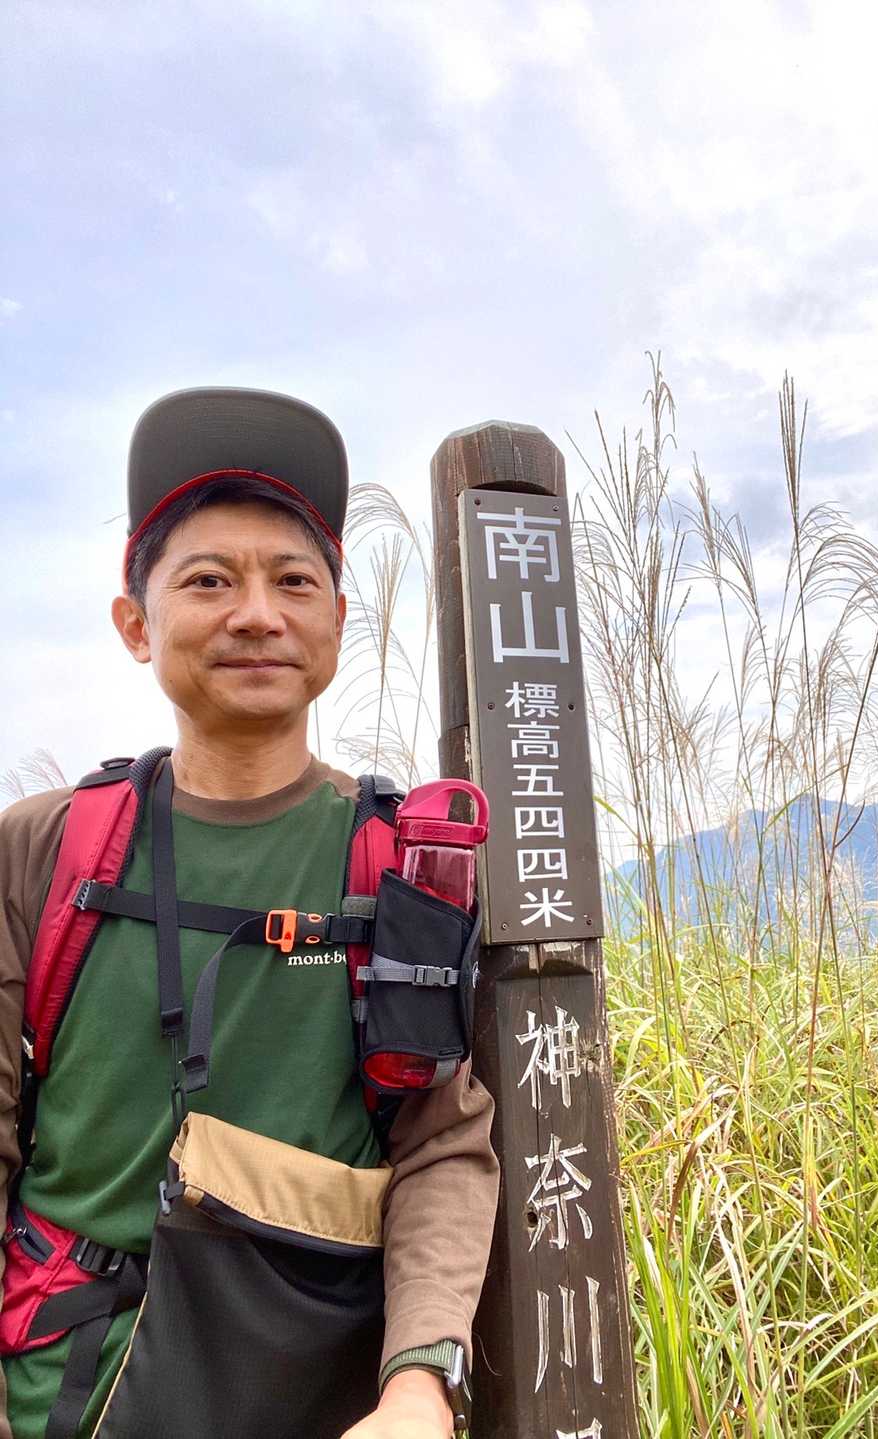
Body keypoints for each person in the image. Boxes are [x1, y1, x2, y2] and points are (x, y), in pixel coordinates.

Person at [0, 387, 500, 1438]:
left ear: (338, 622)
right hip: (62, 1398)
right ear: (136, 623)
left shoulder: (399, 861)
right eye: (209, 580)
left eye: (293, 580)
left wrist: (420, 1381)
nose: (258, 614)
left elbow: (441, 1143)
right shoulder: (46, 848)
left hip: (322, 1400)